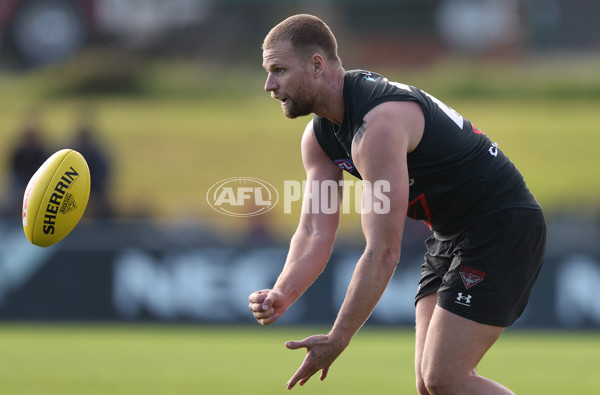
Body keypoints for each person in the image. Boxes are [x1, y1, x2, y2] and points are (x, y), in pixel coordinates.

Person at [248, 14, 546, 394]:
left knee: (446, 377)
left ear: (317, 65)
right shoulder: (320, 138)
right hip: (453, 233)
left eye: (279, 70)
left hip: (501, 225)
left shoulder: (379, 125)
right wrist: (282, 292)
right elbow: (313, 230)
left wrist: (339, 337)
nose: (268, 85)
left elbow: (383, 251)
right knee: (429, 385)